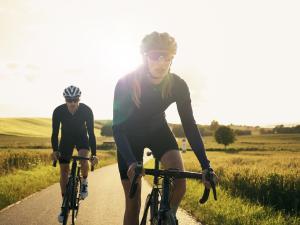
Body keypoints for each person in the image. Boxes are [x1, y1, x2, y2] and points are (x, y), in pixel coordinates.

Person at [112, 31, 217, 225]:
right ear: (145, 58)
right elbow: (118, 129)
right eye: (154, 56)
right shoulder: (126, 83)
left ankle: (167, 216)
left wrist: (205, 165)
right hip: (129, 137)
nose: (161, 62)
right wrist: (131, 163)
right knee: (132, 205)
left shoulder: (178, 85)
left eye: (166, 57)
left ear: (172, 59)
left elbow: (189, 126)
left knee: (180, 183)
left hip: (158, 131)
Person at [51, 85, 98, 223]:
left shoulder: (86, 110)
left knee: (84, 159)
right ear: (65, 99)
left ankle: (84, 181)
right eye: (69, 100)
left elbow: (91, 133)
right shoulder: (58, 111)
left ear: (79, 99)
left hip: (82, 138)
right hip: (66, 139)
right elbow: (55, 133)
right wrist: (55, 150)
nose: (72, 103)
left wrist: (93, 154)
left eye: (75, 100)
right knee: (64, 170)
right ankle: (65, 203)